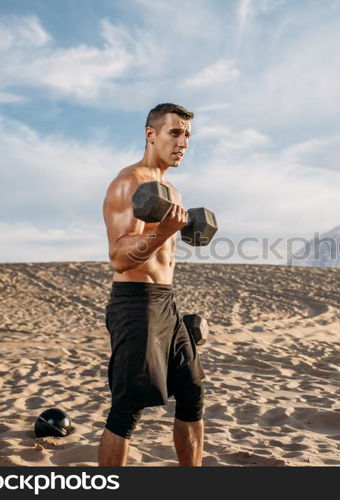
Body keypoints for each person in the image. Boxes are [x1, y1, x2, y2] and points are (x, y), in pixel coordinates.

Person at [98, 103, 205, 466]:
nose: (183, 142)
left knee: (192, 394)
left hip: (165, 301)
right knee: (128, 409)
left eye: (187, 135)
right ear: (151, 134)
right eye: (175, 132)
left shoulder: (172, 191)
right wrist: (162, 231)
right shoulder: (128, 182)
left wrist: (175, 231)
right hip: (134, 302)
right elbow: (119, 256)